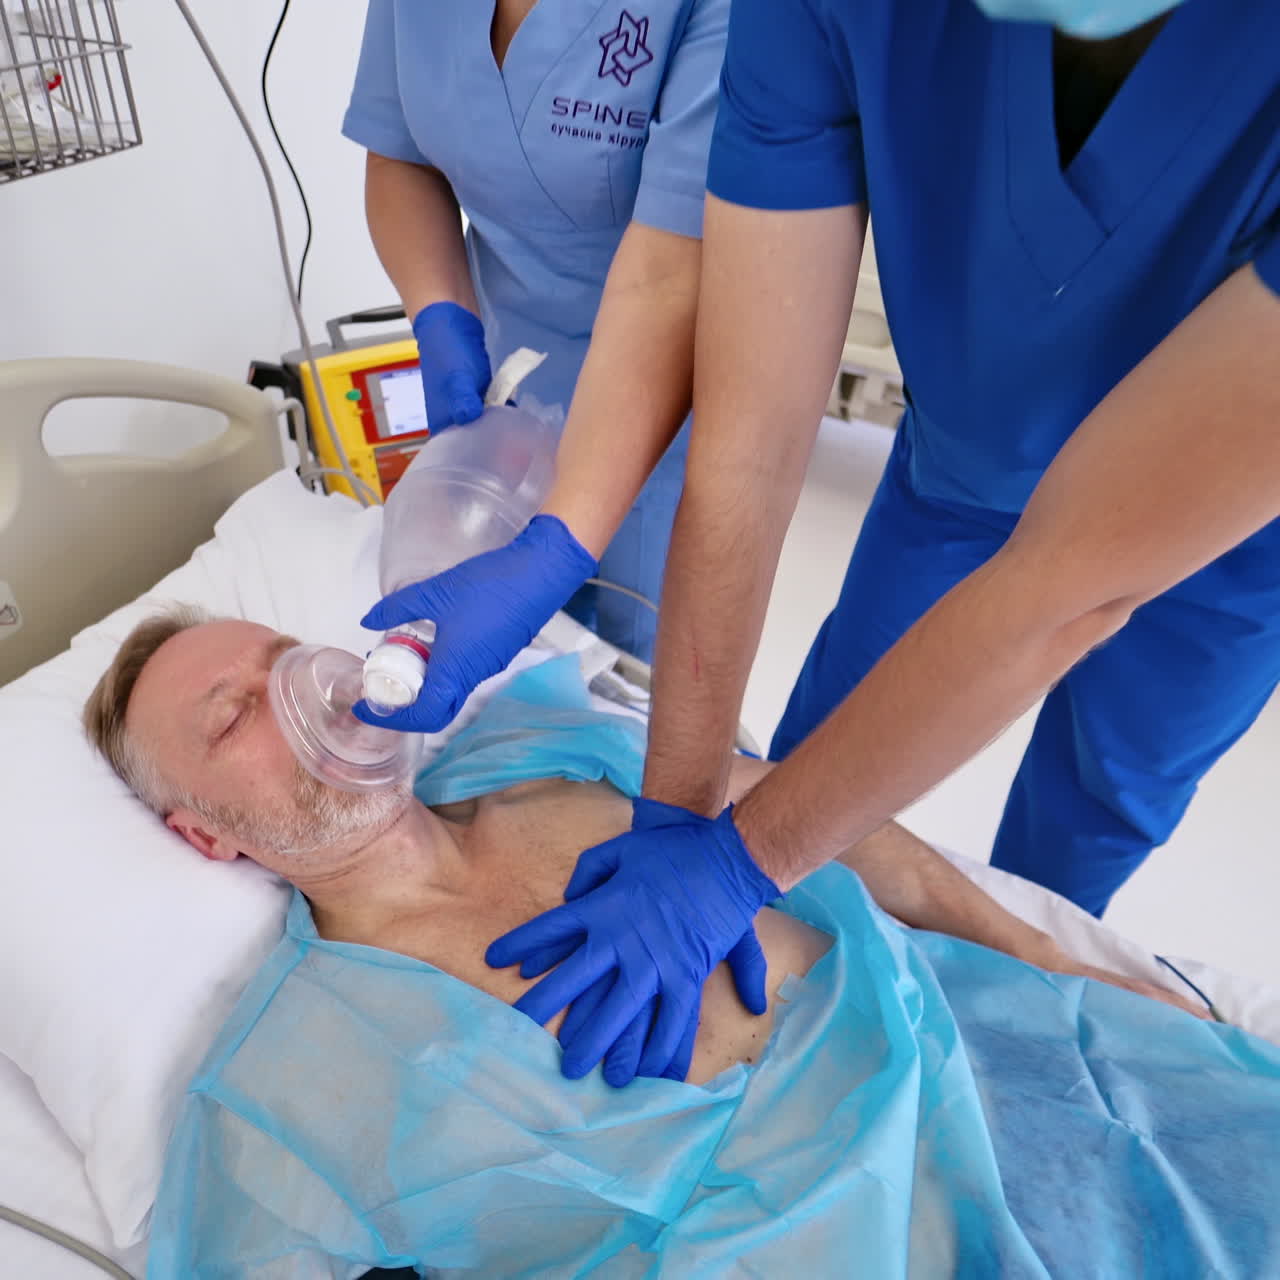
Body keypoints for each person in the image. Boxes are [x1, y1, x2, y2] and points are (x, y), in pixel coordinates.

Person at [359, 0, 1280, 1082]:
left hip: (1230, 531)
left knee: (1095, 805)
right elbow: (745, 450)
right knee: (810, 765)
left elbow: (1066, 589)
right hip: (962, 456)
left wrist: (743, 866)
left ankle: (1025, 1002)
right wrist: (677, 810)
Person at [85, 611, 1280, 1279]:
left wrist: (1051, 957)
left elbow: (830, 817)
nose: (300, 693)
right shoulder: (282, 1088)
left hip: (1029, 1069)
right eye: (235, 713)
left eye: (284, 657)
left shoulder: (538, 750)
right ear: (204, 834)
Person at [341, 0, 732, 662]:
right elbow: (399, 155)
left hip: (679, 399)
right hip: (511, 387)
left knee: (643, 668)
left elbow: (667, 275)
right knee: (519, 653)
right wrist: (440, 311)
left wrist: (558, 546)